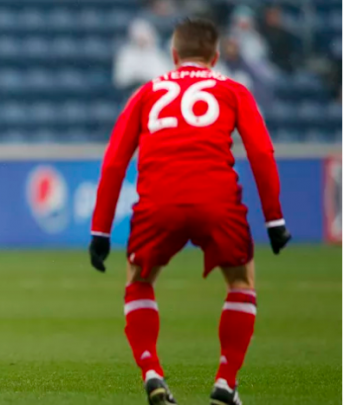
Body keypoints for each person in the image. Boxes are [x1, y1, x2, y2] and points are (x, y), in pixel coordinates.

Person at [88, 18, 291, 405]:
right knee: (241, 281)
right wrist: (274, 220)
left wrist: (100, 232)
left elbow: (115, 162)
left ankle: (151, 372)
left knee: (139, 278)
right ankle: (225, 383)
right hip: (217, 199)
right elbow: (262, 153)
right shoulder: (234, 91)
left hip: (158, 200)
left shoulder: (147, 92)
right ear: (215, 57)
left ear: (173, 54)